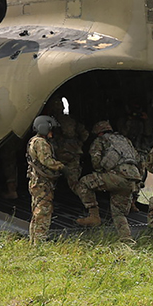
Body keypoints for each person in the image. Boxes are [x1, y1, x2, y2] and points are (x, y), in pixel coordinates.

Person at [83, 119, 145, 242]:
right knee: (118, 214)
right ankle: (126, 240)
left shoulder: (100, 141)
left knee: (84, 183)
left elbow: (96, 162)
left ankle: (93, 215)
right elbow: (139, 160)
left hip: (116, 177)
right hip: (132, 179)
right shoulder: (125, 141)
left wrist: (101, 171)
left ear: (98, 132)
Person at [44, 97, 100, 226]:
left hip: (57, 155)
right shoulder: (73, 120)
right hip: (74, 154)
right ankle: (92, 210)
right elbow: (85, 134)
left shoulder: (51, 120)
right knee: (75, 183)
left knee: (46, 182)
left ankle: (46, 209)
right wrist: (77, 145)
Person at [26, 115, 64, 244]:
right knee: (43, 211)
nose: (51, 133)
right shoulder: (41, 142)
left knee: (37, 211)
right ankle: (40, 242)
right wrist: (61, 167)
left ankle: (34, 240)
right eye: (50, 129)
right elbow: (46, 161)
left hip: (37, 181)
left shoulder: (33, 141)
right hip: (42, 183)